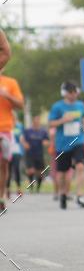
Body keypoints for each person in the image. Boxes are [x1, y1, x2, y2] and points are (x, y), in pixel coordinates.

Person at [48, 82, 84, 209]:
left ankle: (80, 195)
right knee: (62, 173)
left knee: (81, 166)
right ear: (65, 93)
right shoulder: (57, 107)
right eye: (70, 92)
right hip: (62, 144)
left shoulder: (80, 105)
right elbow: (50, 124)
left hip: (78, 141)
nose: (72, 94)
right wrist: (62, 120)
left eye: (74, 91)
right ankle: (62, 193)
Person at [0, 70, 24, 212]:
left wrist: (6, 95)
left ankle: (1, 197)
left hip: (5, 129)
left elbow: (20, 104)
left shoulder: (10, 83)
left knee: (3, 164)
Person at [22, 116, 50, 192]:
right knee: (31, 170)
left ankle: (38, 188)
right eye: (35, 121)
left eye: (38, 121)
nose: (37, 123)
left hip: (39, 154)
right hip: (30, 153)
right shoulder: (28, 131)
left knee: (40, 172)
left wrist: (45, 143)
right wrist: (24, 144)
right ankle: (31, 188)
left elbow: (47, 141)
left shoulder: (43, 132)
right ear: (33, 122)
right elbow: (22, 139)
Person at [7, 115, 25, 197]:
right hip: (7, 151)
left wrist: (23, 143)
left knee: (16, 169)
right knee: (8, 170)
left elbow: (21, 137)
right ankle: (7, 189)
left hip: (17, 151)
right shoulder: (5, 125)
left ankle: (18, 188)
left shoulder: (19, 126)